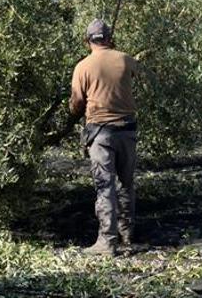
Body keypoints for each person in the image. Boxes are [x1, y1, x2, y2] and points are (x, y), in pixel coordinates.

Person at [69, 19, 139, 256]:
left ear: (87, 40)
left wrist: (75, 110)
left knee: (105, 186)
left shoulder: (82, 67)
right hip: (128, 131)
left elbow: (76, 104)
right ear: (110, 38)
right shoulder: (126, 59)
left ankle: (107, 242)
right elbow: (137, 78)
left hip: (100, 133)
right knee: (126, 183)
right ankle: (127, 235)